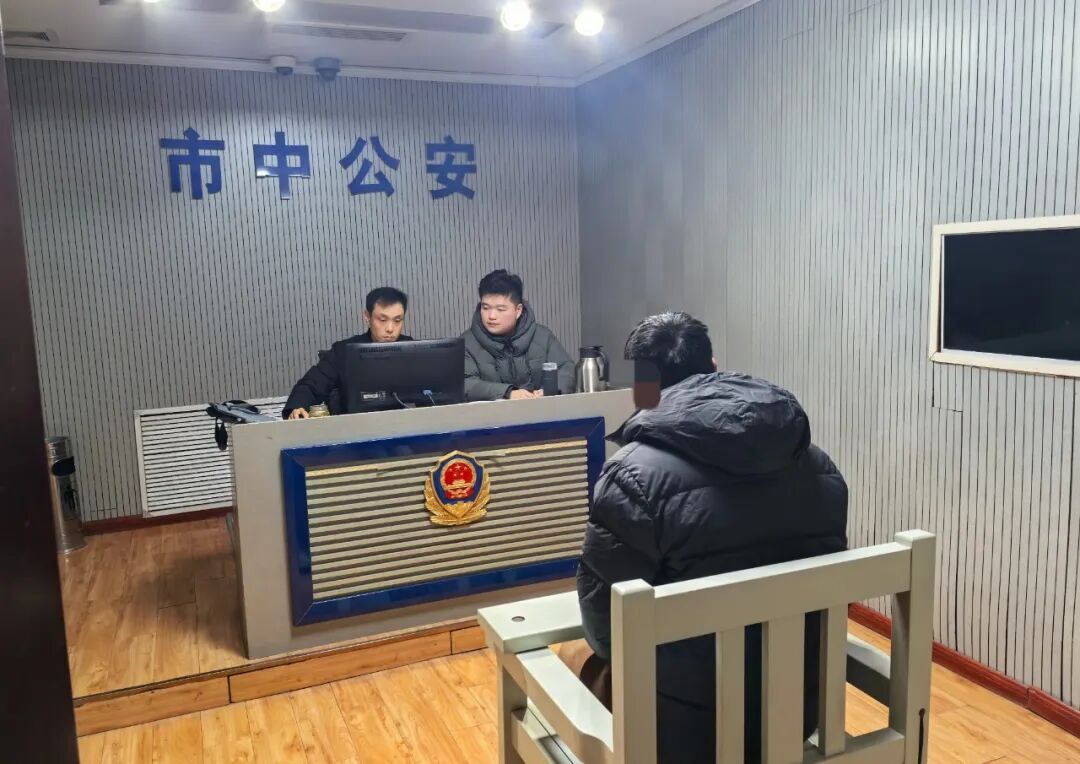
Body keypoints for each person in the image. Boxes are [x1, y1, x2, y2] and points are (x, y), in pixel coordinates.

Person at [571, 312, 848, 763]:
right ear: (714, 366)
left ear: (643, 387)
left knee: (574, 658)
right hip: (796, 710)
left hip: (685, 731)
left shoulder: (630, 476)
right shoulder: (817, 463)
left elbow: (605, 633)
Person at [283, 287, 413, 419]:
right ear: (367, 316)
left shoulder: (414, 351)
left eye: (397, 320)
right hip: (355, 425)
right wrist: (297, 407)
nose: (390, 329)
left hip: (407, 423)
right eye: (382, 320)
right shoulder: (343, 351)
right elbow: (311, 385)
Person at [461, 269, 575, 401]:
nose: (491, 316)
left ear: (518, 310)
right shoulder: (466, 343)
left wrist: (550, 390)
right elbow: (465, 384)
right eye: (485, 308)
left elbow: (566, 368)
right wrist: (507, 393)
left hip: (541, 410)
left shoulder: (542, 336)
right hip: (491, 414)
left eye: (500, 309)